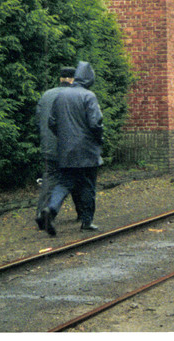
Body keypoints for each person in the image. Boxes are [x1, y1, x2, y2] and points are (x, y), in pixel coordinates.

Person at [35, 61, 104, 235]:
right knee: (88, 185)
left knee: (64, 183)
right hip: (87, 150)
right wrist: (98, 139)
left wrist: (63, 139)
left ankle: (50, 209)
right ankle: (87, 222)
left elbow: (51, 122)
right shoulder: (89, 96)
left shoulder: (61, 96)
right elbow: (95, 123)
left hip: (65, 150)